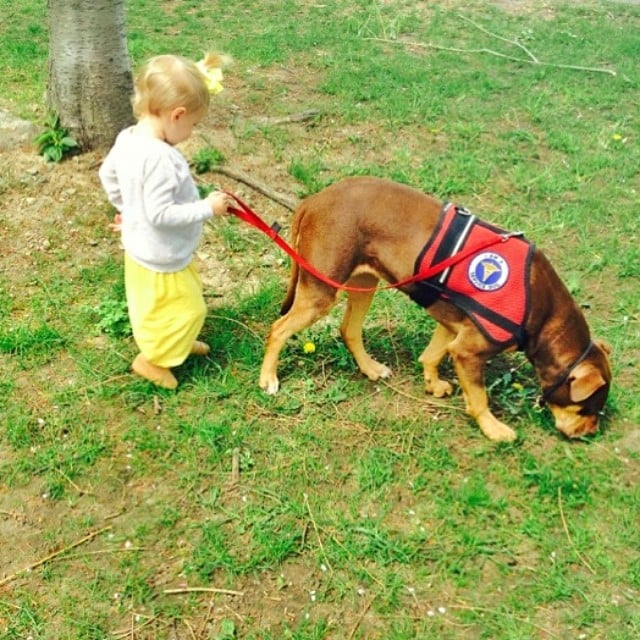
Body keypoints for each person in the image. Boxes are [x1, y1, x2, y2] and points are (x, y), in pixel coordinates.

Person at [99, 53, 229, 389]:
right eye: (193, 124)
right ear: (177, 115)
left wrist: (126, 208)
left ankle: (178, 344)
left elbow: (107, 173)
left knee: (165, 304)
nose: (191, 131)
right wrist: (207, 208)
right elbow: (161, 214)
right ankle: (153, 360)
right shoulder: (161, 159)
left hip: (146, 248)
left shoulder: (128, 137)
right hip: (160, 254)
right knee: (188, 310)